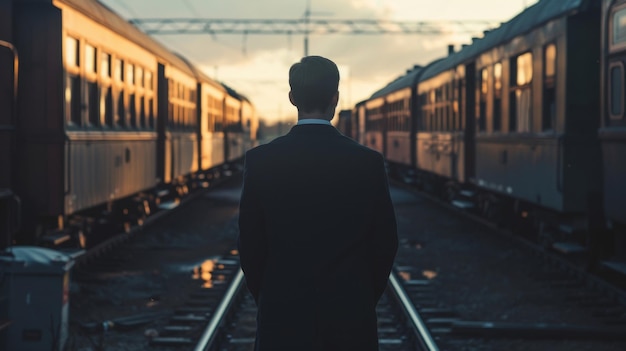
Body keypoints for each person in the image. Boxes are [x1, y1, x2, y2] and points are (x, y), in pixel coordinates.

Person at [238, 55, 398, 351]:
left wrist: (271, 297)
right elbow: (385, 244)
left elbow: (250, 246)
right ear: (335, 99)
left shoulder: (260, 161)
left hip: (282, 313)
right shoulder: (368, 162)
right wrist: (360, 298)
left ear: (292, 98)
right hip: (350, 314)